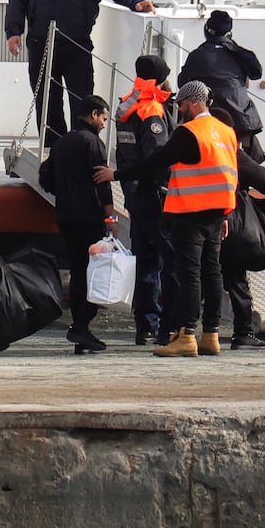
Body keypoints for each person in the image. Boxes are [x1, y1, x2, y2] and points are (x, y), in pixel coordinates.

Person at [101, 81, 237, 359]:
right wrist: (227, 213)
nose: (180, 109)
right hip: (218, 211)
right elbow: (234, 171)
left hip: (190, 211)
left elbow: (157, 161)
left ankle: (187, 334)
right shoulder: (226, 132)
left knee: (189, 273)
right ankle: (210, 335)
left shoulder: (189, 133)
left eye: (183, 105)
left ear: (194, 102)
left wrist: (117, 174)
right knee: (213, 273)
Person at [4, 0, 155, 146]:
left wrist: (137, 2)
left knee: (83, 100)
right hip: (41, 45)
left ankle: (83, 146)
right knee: (47, 100)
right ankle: (54, 149)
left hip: (77, 45)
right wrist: (13, 32)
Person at [209, 105, 265, 351]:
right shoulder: (227, 149)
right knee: (234, 277)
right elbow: (258, 174)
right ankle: (243, 332)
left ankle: (185, 330)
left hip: (189, 219)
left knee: (193, 276)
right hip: (224, 221)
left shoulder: (189, 143)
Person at [39, 95, 115, 355]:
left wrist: (64, 190)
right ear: (94, 114)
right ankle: (82, 326)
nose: (105, 123)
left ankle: (80, 326)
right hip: (89, 217)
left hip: (66, 215)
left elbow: (44, 177)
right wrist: (110, 217)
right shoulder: (93, 142)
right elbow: (102, 181)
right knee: (92, 273)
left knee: (77, 270)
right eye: (104, 118)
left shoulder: (62, 142)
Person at [115, 55, 177, 347]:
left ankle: (145, 325)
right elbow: (158, 156)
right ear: (160, 78)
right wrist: (167, 189)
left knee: (145, 261)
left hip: (134, 194)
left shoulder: (128, 104)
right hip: (155, 196)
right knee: (169, 260)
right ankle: (168, 325)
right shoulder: (152, 109)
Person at [178, 9, 264, 160]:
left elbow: (182, 83)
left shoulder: (197, 56)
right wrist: (232, 45)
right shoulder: (240, 54)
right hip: (241, 119)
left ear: (207, 31)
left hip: (208, 119)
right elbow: (256, 73)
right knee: (242, 161)